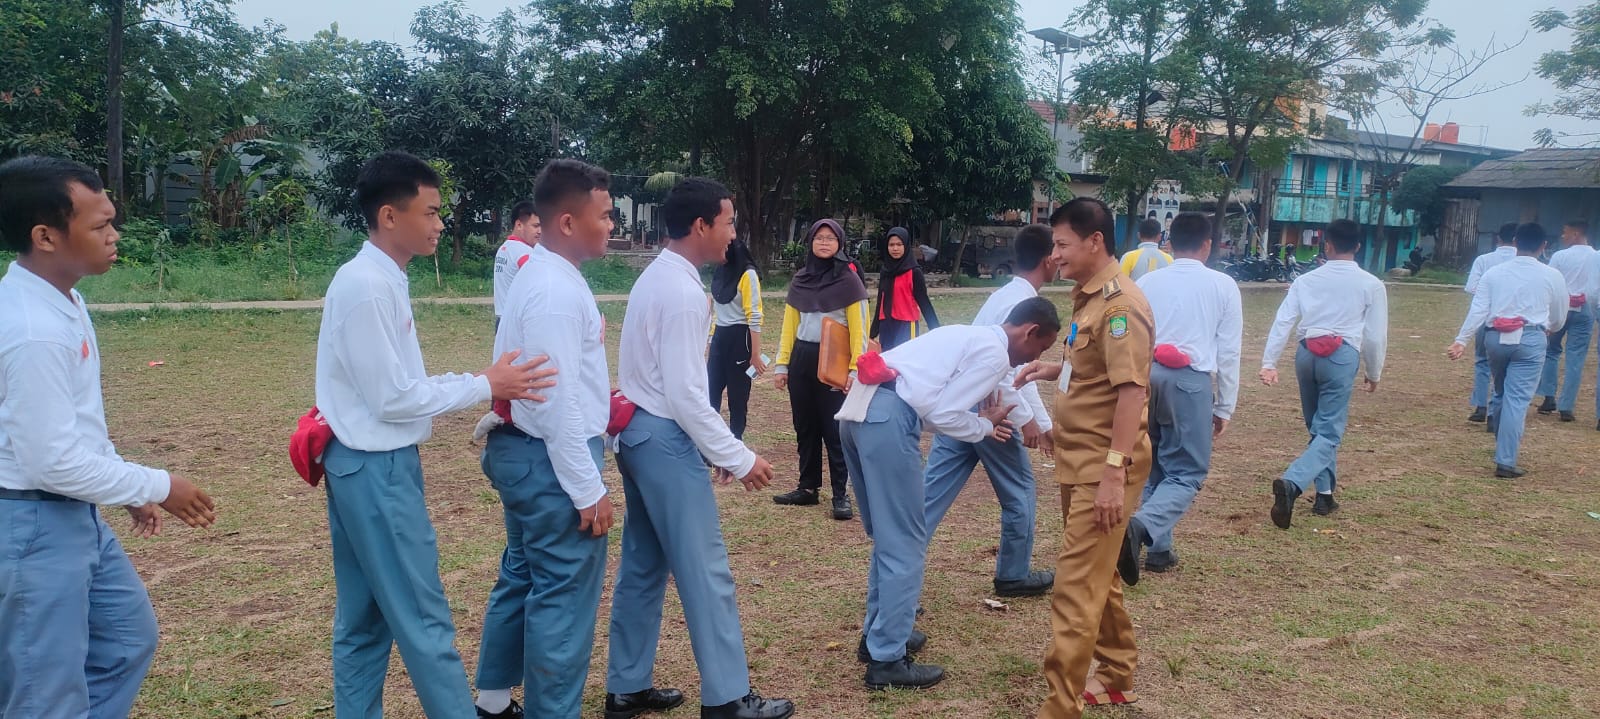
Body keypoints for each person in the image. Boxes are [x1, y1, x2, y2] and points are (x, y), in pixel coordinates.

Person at [314, 151, 555, 718]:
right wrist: (484, 383)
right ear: (389, 216)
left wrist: (482, 380)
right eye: (431, 211)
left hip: (361, 464)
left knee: (365, 620)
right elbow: (393, 398)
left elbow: (401, 384)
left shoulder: (382, 277)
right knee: (422, 620)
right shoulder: (367, 285)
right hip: (376, 469)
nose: (441, 223)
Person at [0, 155, 218, 718]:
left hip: (74, 516)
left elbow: (75, 426)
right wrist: (160, 483)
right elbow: (50, 461)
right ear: (45, 236)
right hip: (31, 522)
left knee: (125, 642)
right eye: (99, 226)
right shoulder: (33, 331)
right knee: (45, 693)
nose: (114, 235)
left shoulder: (65, 302)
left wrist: (125, 489)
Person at [605, 177, 794, 719]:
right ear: (700, 226)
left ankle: (627, 685)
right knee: (707, 570)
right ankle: (729, 697)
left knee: (643, 565)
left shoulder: (659, 279)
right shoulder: (684, 292)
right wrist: (739, 457)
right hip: (662, 439)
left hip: (637, 434)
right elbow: (687, 396)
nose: (734, 234)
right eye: (729, 222)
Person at [839, 298, 1061, 690]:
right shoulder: (994, 353)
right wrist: (984, 425)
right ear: (1029, 332)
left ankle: (883, 634)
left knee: (890, 539)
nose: (1033, 357)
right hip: (887, 419)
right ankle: (887, 658)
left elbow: (940, 402)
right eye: (1039, 349)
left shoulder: (968, 336)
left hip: (859, 411)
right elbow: (944, 414)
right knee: (904, 543)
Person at [471, 159, 616, 719]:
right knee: (564, 595)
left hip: (520, 450)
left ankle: (490, 699)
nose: (611, 225)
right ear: (566, 221)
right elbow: (553, 399)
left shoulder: (543, 274)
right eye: (603, 216)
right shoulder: (555, 288)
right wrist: (587, 486)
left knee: (523, 571)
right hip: (550, 458)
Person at [1013, 197, 1154, 719]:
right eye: (1055, 245)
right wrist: (1051, 370)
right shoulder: (1088, 297)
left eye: (1063, 244)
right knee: (1100, 575)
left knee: (1074, 587)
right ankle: (1116, 677)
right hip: (1079, 459)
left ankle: (1059, 707)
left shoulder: (1121, 307)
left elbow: (1133, 393)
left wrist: (1114, 474)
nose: (1056, 254)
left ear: (1095, 241)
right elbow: (1094, 372)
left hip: (1103, 466)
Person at [922, 224, 1058, 598]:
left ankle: (899, 571)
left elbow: (1015, 367)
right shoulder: (1021, 303)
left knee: (928, 500)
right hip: (989, 409)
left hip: (959, 405)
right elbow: (1007, 371)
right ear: (1049, 260)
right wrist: (1029, 422)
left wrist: (1041, 422)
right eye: (1059, 250)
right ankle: (1013, 574)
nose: (1061, 258)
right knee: (1020, 491)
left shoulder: (1006, 295)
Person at [1124, 212, 1242, 574]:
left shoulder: (1147, 282)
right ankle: (1142, 528)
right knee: (1188, 472)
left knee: (1157, 462)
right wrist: (1224, 406)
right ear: (1208, 245)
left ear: (1169, 243)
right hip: (1188, 379)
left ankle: (1160, 549)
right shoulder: (1223, 285)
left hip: (1147, 377)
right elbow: (1229, 351)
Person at [1260, 219, 1388, 528]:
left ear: (1327, 245)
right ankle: (1293, 482)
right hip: (1341, 355)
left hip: (1307, 353)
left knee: (1319, 429)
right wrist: (1374, 370)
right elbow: (1374, 336)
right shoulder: (1371, 283)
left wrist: (1269, 361)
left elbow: (1283, 320)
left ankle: (1325, 495)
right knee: (1329, 432)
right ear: (1358, 246)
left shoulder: (1307, 280)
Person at [1447, 223, 1568, 478]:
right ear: (1543, 246)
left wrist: (1462, 340)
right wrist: (1551, 328)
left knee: (1501, 391)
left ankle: (1502, 438)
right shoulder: (1552, 274)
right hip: (1531, 338)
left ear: (1515, 242)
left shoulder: (1494, 273)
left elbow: (1478, 309)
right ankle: (1506, 459)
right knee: (1517, 399)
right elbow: (1559, 314)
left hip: (1495, 338)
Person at [772, 219, 871, 520]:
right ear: (811, 242)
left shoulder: (850, 281)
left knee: (834, 429)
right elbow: (790, 326)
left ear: (840, 243)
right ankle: (808, 487)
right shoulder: (800, 279)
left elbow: (859, 330)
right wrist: (782, 363)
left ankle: (841, 494)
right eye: (819, 238)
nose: (824, 243)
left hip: (835, 360)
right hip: (802, 356)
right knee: (805, 425)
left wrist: (855, 370)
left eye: (830, 238)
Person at [1536, 220, 1597, 422]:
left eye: (1565, 232)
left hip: (1561, 307)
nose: (1563, 236)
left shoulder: (1560, 256)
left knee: (1551, 351)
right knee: (1576, 358)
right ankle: (1567, 405)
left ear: (1576, 234)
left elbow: (1550, 281)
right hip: (1586, 308)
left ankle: (1548, 396)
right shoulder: (1597, 256)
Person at [1463, 223, 1520, 423]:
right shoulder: (1524, 262)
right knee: (1511, 368)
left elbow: (1471, 287)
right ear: (1517, 240)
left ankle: (1480, 405)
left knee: (1482, 361)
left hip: (1486, 318)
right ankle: (1500, 409)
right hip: (1516, 322)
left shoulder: (1484, 260)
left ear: (1498, 238)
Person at [709, 239, 765, 440]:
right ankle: (709, 445)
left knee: (737, 397)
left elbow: (755, 315)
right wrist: (710, 342)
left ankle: (735, 442)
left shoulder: (747, 274)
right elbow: (715, 311)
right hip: (719, 338)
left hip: (740, 339)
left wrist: (756, 354)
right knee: (710, 392)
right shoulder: (720, 271)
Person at [869, 227, 940, 351]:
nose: (895, 248)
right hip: (886, 324)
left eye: (899, 244)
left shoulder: (914, 272)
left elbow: (924, 302)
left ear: (906, 246)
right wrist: (873, 331)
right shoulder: (885, 271)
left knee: (904, 363)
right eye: (891, 245)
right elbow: (881, 300)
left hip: (906, 325)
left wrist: (937, 330)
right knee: (887, 363)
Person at [493, 200, 542, 326]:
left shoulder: (504, 248)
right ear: (519, 225)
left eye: (542, 226)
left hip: (502, 319)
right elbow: (540, 283)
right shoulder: (524, 252)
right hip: (517, 323)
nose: (540, 231)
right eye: (535, 226)